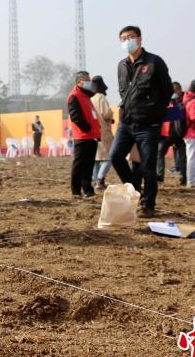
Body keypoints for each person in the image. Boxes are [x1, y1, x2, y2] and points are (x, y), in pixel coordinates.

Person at [109, 26, 174, 218]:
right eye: (123, 38)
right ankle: (135, 190)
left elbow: (167, 90)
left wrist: (156, 113)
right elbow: (123, 91)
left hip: (148, 125)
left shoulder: (154, 62)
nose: (127, 41)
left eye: (130, 37)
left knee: (147, 166)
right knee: (115, 156)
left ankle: (148, 205)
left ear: (139, 39)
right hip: (126, 123)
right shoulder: (121, 65)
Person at [67, 71, 101, 199]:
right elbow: (75, 116)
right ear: (79, 82)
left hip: (92, 136)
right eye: (87, 80)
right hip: (82, 136)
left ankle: (88, 190)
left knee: (89, 165)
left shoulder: (86, 95)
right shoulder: (74, 96)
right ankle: (76, 191)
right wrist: (86, 128)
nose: (89, 82)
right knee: (79, 164)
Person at [90, 76, 114, 190]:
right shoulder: (101, 97)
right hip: (103, 131)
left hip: (93, 131)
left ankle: (96, 181)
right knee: (109, 156)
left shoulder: (90, 98)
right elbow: (106, 113)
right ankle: (100, 181)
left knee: (96, 158)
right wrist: (111, 115)